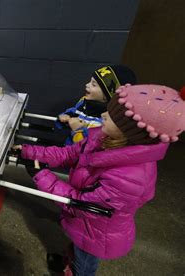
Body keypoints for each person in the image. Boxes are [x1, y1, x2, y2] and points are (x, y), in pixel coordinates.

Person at [13, 84, 185, 275]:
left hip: (97, 233)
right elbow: (69, 153)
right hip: (84, 225)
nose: (103, 115)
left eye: (111, 117)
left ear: (129, 133)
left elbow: (80, 205)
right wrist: (30, 151)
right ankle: (67, 261)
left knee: (85, 262)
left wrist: (41, 175)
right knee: (77, 247)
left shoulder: (130, 178)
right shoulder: (104, 137)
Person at [57, 65, 137, 144]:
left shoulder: (108, 122)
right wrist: (65, 118)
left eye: (94, 84)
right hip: (67, 151)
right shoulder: (83, 103)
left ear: (107, 96)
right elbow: (73, 112)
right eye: (90, 81)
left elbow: (90, 148)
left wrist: (78, 130)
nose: (87, 85)